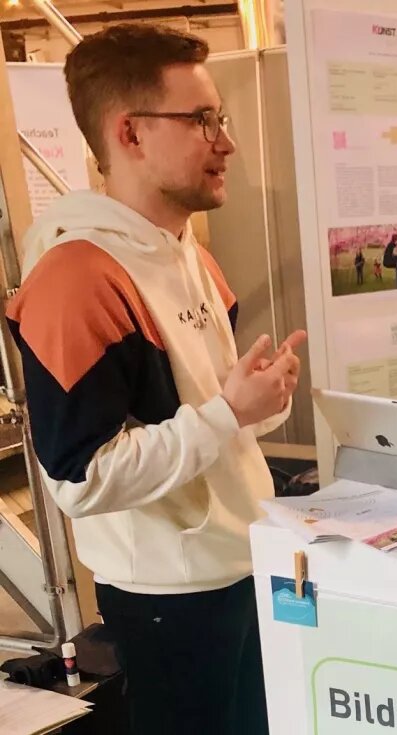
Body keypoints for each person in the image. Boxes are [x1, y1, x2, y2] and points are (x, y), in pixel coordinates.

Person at [5, 25, 307, 734]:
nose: (224, 141)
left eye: (220, 118)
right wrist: (229, 414)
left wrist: (253, 403)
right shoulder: (77, 277)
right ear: (130, 134)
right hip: (171, 593)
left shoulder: (183, 252)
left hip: (237, 561)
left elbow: (204, 415)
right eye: (201, 120)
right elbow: (80, 479)